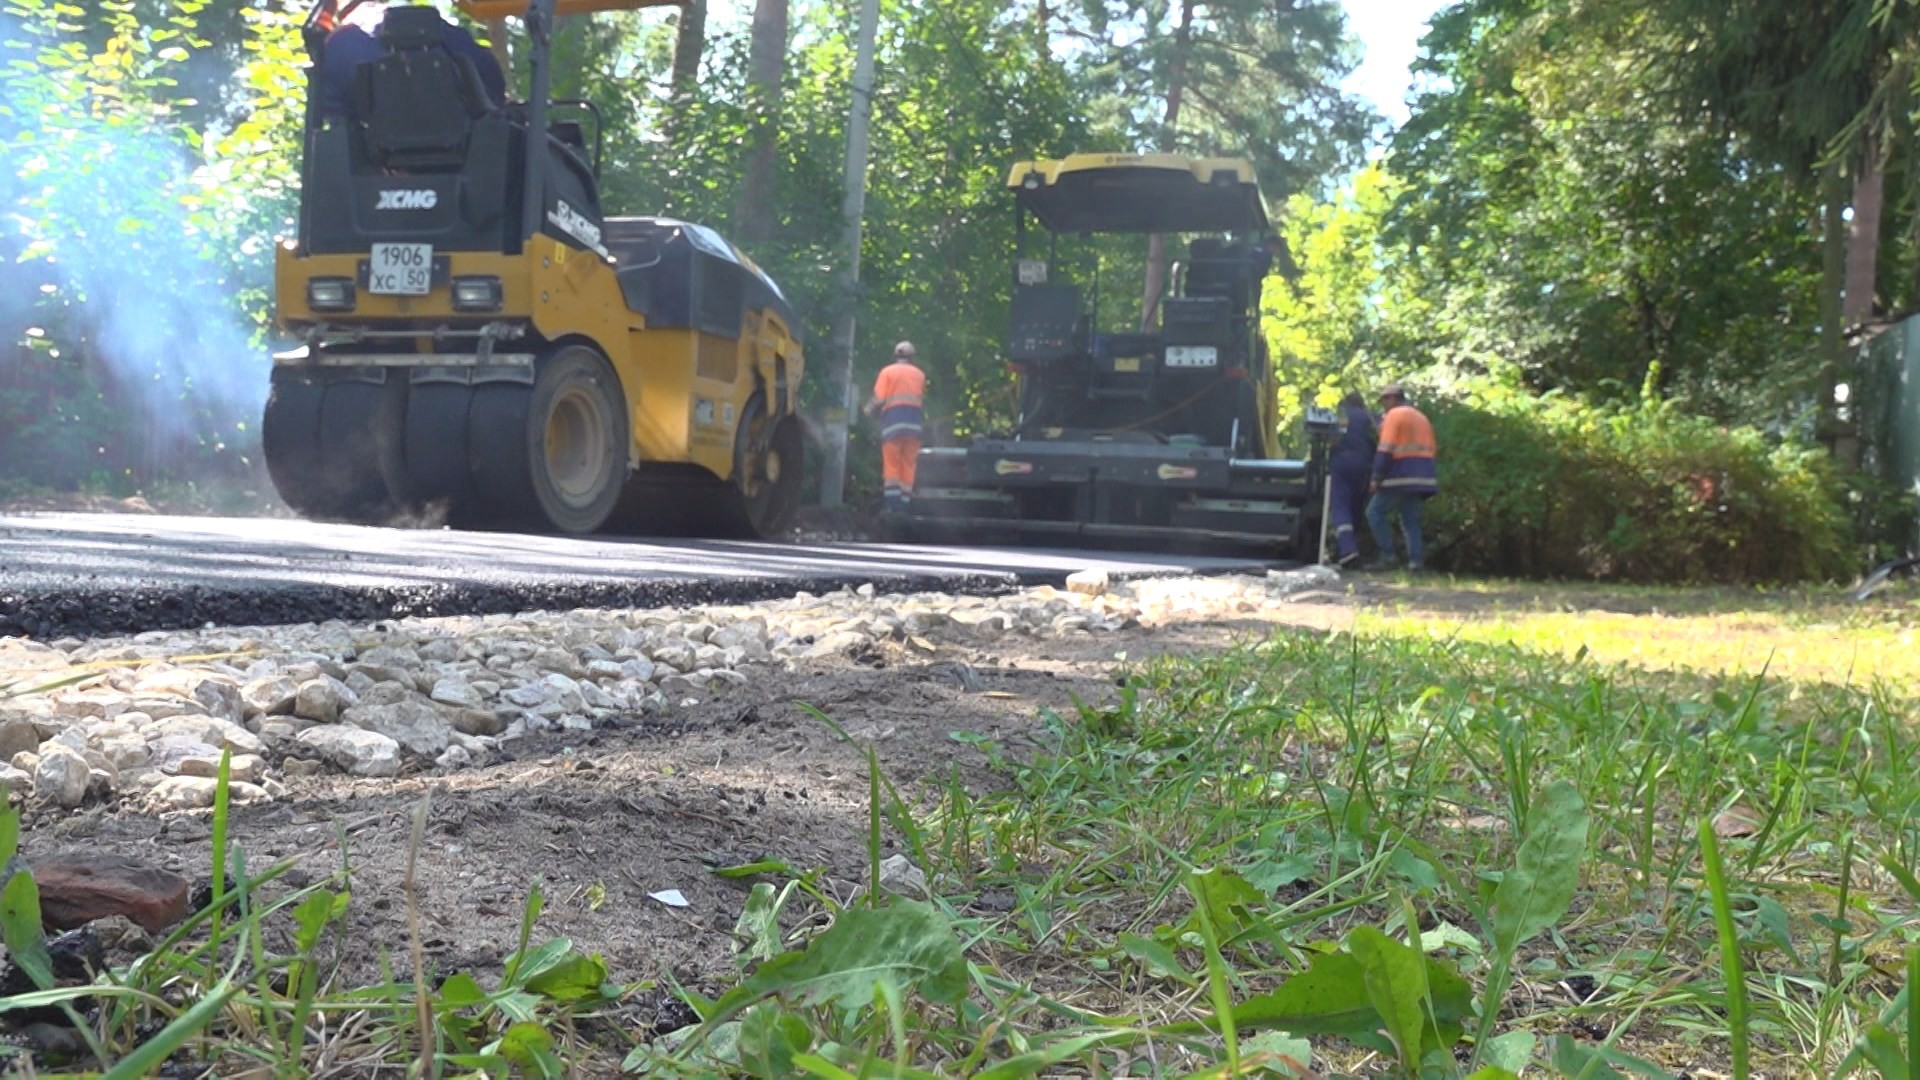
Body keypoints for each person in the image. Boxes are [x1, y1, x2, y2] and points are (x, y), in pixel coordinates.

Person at [317, 1, 507, 121]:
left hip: (380, 166)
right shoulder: (442, 32)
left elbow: (337, 121)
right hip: (466, 161)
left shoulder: (338, 47)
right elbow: (492, 82)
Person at [1364, 382, 1438, 572]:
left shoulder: (1393, 416)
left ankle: (1388, 556)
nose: (1383, 406)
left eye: (1384, 400)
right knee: (1411, 520)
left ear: (1393, 398)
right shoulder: (1421, 417)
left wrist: (1376, 478)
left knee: (1374, 513)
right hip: (1423, 477)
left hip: (1400, 476)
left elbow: (1385, 449)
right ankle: (1416, 563)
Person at [864, 341, 927, 513]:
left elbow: (879, 398)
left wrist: (867, 411)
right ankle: (906, 503)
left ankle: (893, 504)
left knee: (892, 463)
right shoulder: (920, 375)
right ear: (912, 358)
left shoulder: (887, 372)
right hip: (914, 426)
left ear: (895, 355)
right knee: (908, 463)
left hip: (893, 424)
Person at [1327, 390, 1377, 567]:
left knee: (1340, 505)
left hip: (1341, 464)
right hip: (1365, 466)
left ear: (1346, 404)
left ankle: (1348, 549)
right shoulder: (1371, 417)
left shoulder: (1341, 416)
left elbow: (1331, 439)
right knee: (1356, 506)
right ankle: (1350, 547)